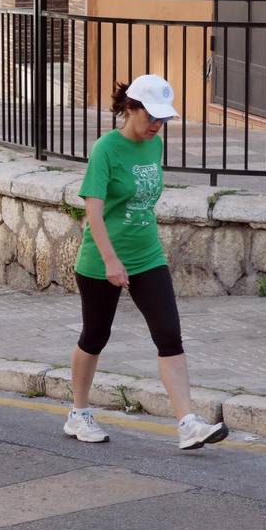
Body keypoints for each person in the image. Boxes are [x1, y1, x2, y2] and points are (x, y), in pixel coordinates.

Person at [64, 74, 229, 451]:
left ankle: (188, 423)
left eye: (163, 119)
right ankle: (78, 413)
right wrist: (111, 261)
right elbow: (94, 208)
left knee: (169, 334)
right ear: (130, 109)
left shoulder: (154, 147)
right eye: (151, 116)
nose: (158, 125)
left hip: (147, 256)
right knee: (95, 336)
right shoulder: (106, 148)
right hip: (102, 259)